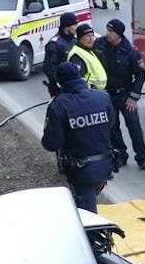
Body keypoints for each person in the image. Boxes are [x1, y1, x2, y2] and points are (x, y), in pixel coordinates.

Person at [41, 61, 114, 213]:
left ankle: (95, 236)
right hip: (104, 166)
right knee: (89, 205)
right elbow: (111, 123)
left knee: (87, 217)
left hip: (81, 171)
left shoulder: (59, 105)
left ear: (60, 82)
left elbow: (51, 143)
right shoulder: (102, 96)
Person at [95, 18, 145, 171]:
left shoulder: (130, 51)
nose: (108, 34)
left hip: (125, 94)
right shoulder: (99, 45)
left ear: (118, 34)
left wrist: (133, 97)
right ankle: (120, 155)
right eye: (107, 30)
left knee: (134, 126)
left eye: (111, 32)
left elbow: (140, 75)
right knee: (112, 127)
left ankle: (142, 157)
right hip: (107, 94)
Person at [42, 11, 79, 97]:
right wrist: (60, 84)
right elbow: (50, 68)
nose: (76, 28)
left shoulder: (74, 41)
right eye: (74, 25)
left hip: (75, 86)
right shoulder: (55, 44)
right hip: (61, 90)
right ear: (66, 26)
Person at [66, 22, 107, 93]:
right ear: (80, 38)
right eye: (87, 36)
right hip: (90, 94)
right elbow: (78, 81)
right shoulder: (77, 55)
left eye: (92, 35)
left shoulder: (88, 50)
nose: (91, 39)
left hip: (97, 93)